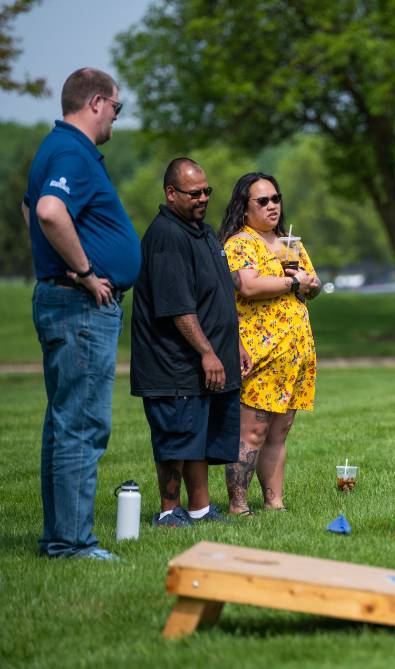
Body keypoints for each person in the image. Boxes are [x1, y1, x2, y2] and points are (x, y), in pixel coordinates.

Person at [22, 68, 140, 560]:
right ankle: (71, 542)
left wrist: (57, 265)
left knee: (64, 423)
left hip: (64, 298)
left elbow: (29, 208)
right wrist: (85, 272)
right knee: (82, 426)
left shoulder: (55, 147)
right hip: (81, 307)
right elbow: (49, 211)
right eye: (117, 107)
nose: (117, 116)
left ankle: (60, 536)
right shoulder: (71, 150)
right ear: (96, 102)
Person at [130, 158, 251, 527]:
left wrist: (234, 345)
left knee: (197, 438)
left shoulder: (201, 231)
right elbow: (178, 308)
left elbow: (217, 296)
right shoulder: (167, 236)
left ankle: (200, 509)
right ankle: (169, 511)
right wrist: (207, 352)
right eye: (194, 192)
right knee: (176, 439)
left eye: (206, 191)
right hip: (173, 365)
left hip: (203, 361)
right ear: (170, 193)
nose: (203, 198)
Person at [218, 172, 321, 515]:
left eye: (275, 198)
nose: (272, 205)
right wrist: (294, 282)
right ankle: (238, 504)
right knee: (254, 431)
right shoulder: (239, 243)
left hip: (295, 355)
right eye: (262, 201)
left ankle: (275, 503)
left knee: (280, 431)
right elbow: (247, 286)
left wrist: (308, 284)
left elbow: (313, 283)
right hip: (259, 355)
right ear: (244, 208)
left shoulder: (289, 241)